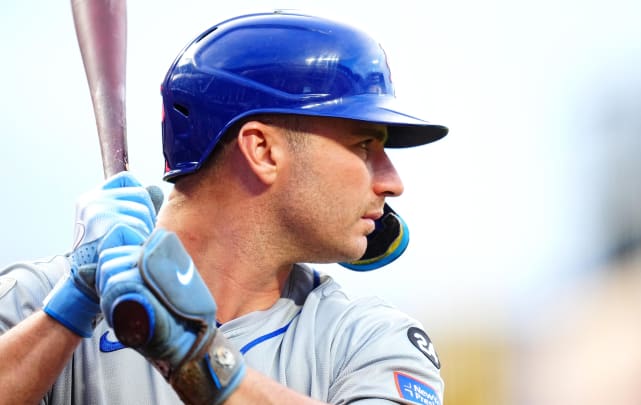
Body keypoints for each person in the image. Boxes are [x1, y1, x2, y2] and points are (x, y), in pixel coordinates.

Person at [0, 10, 447, 405]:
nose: (393, 182)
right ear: (263, 151)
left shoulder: (364, 338)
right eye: (366, 145)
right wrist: (67, 312)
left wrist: (201, 362)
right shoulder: (36, 302)